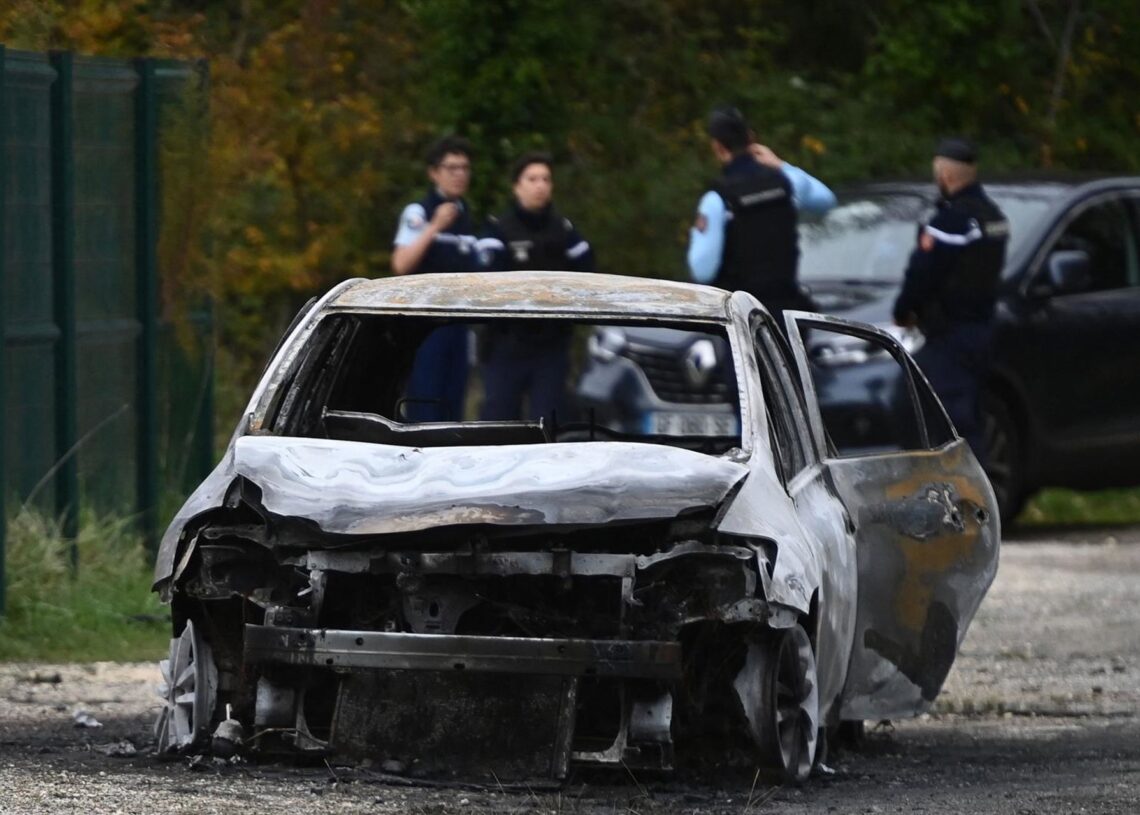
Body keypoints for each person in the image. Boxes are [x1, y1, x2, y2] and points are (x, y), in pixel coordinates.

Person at [893, 137, 1010, 462]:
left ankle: (964, 489)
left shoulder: (951, 222)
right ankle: (974, 487)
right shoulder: (992, 217)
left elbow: (922, 274)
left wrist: (903, 311)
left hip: (950, 335)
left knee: (948, 420)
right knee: (970, 414)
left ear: (945, 175)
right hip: (982, 330)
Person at [687, 106, 836, 327]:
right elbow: (826, 200)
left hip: (743, 322)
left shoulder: (717, 199)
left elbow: (702, 271)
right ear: (751, 139)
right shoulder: (786, 183)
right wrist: (782, 165)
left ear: (717, 147)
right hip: (789, 316)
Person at [476, 152, 595, 422]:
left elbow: (588, 275)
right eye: (532, 179)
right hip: (506, 343)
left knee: (549, 423)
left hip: (551, 346)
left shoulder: (564, 230)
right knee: (499, 424)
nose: (540, 185)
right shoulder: (498, 230)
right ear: (516, 186)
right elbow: (487, 283)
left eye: (546, 179)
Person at [391, 135, 480, 421]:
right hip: (425, 326)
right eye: (452, 168)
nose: (459, 174)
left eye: (464, 168)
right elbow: (401, 264)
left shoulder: (466, 216)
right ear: (434, 172)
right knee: (425, 406)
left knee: (453, 409)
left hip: (459, 325)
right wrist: (434, 227)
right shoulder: (419, 212)